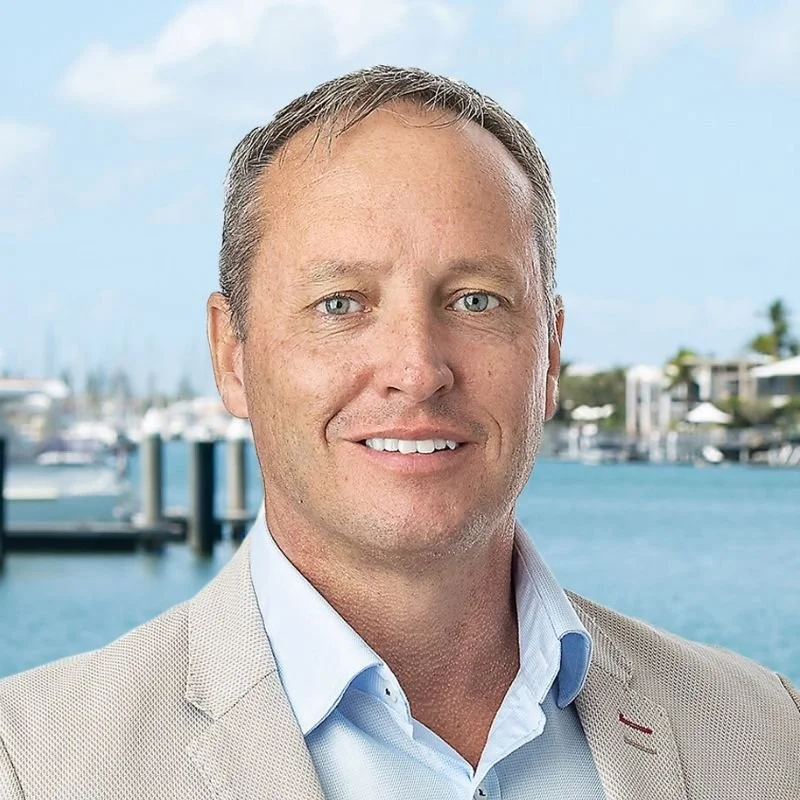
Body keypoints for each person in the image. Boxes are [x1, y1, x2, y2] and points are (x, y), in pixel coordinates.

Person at [0, 65, 798, 800]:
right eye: (340, 304)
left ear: (550, 354)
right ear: (231, 355)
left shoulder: (768, 734)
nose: (416, 370)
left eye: (476, 300)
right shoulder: (35, 763)